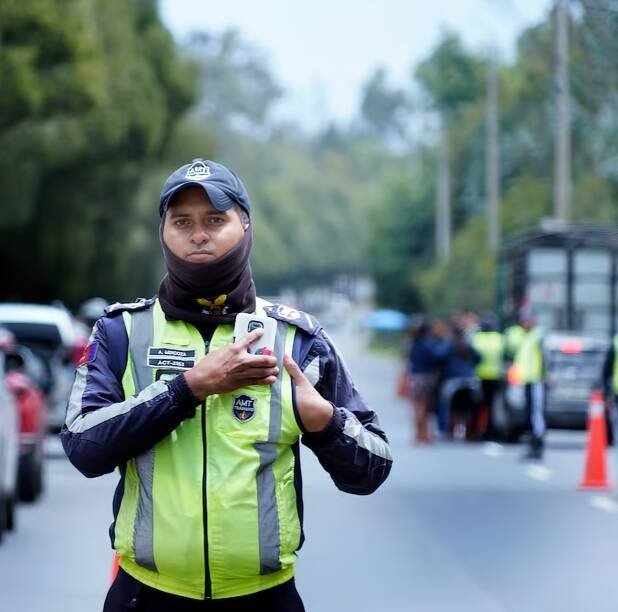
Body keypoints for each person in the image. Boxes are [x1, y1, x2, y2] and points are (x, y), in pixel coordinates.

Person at [62, 158, 392, 611]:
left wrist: (326, 423)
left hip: (264, 599)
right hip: (146, 595)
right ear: (163, 232)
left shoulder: (299, 339)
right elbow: (83, 447)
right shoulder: (121, 332)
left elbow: (373, 469)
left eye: (215, 220)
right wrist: (187, 389)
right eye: (182, 222)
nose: (199, 234)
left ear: (246, 226)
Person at [438, 321, 481, 440]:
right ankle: (470, 433)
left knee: (447, 405)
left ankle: (448, 431)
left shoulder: (448, 344)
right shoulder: (467, 345)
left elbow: (438, 356)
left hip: (453, 380)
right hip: (470, 380)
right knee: (470, 406)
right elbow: (479, 357)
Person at [513, 310, 546, 459]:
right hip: (527, 380)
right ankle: (532, 444)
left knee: (536, 413)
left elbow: (545, 358)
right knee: (529, 414)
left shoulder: (538, 336)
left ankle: (537, 443)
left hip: (536, 380)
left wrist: (545, 375)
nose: (524, 324)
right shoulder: (526, 337)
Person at [407, 319, 443, 443]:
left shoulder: (413, 344)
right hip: (425, 378)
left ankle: (418, 433)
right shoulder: (427, 345)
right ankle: (424, 433)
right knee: (424, 407)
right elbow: (435, 359)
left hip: (414, 378)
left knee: (416, 406)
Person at [472, 315, 505, 440]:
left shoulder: (477, 338)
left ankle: (477, 430)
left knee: (479, 406)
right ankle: (490, 430)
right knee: (492, 406)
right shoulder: (499, 339)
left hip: (479, 376)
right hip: (495, 376)